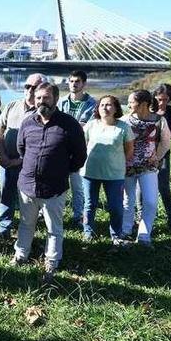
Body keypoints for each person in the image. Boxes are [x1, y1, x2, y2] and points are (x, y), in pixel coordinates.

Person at [11, 82, 86, 283]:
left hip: (54, 188)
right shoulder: (27, 123)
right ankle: (21, 255)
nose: (41, 102)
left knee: (54, 227)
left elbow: (79, 156)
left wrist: (60, 170)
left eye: (46, 98)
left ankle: (51, 261)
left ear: (55, 99)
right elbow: (21, 149)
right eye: (38, 98)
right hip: (27, 185)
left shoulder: (69, 124)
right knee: (26, 223)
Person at [0, 73, 47, 242]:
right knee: (6, 194)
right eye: (27, 86)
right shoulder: (12, 105)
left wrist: (18, 161)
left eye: (34, 87)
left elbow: (42, 143)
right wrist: (2, 154)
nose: (29, 90)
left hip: (30, 164)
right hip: (6, 161)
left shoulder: (44, 112)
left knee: (27, 200)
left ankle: (25, 234)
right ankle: (4, 228)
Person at [80, 96, 134, 242]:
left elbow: (129, 150)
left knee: (115, 206)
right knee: (90, 204)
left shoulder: (123, 127)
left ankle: (116, 234)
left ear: (116, 108)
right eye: (102, 105)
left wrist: (117, 162)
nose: (105, 107)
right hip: (90, 172)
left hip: (114, 174)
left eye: (109, 105)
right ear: (97, 108)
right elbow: (82, 146)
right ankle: (88, 232)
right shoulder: (90, 125)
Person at [120, 90, 171, 246]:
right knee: (127, 200)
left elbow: (166, 141)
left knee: (150, 201)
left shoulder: (159, 120)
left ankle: (144, 235)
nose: (128, 105)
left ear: (143, 104)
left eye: (131, 102)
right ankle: (126, 230)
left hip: (148, 167)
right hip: (126, 166)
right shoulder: (124, 120)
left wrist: (157, 157)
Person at [57, 70, 97, 225]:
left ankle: (78, 215)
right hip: (61, 149)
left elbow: (88, 126)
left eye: (77, 81)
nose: (74, 84)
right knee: (58, 182)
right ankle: (54, 212)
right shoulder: (61, 102)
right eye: (72, 81)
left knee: (77, 185)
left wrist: (71, 126)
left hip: (80, 149)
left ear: (84, 84)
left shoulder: (91, 104)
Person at [154, 83, 171, 229]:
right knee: (141, 185)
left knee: (163, 185)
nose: (162, 102)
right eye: (159, 99)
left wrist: (166, 135)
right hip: (146, 152)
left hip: (164, 152)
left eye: (165, 99)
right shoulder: (149, 110)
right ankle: (141, 216)